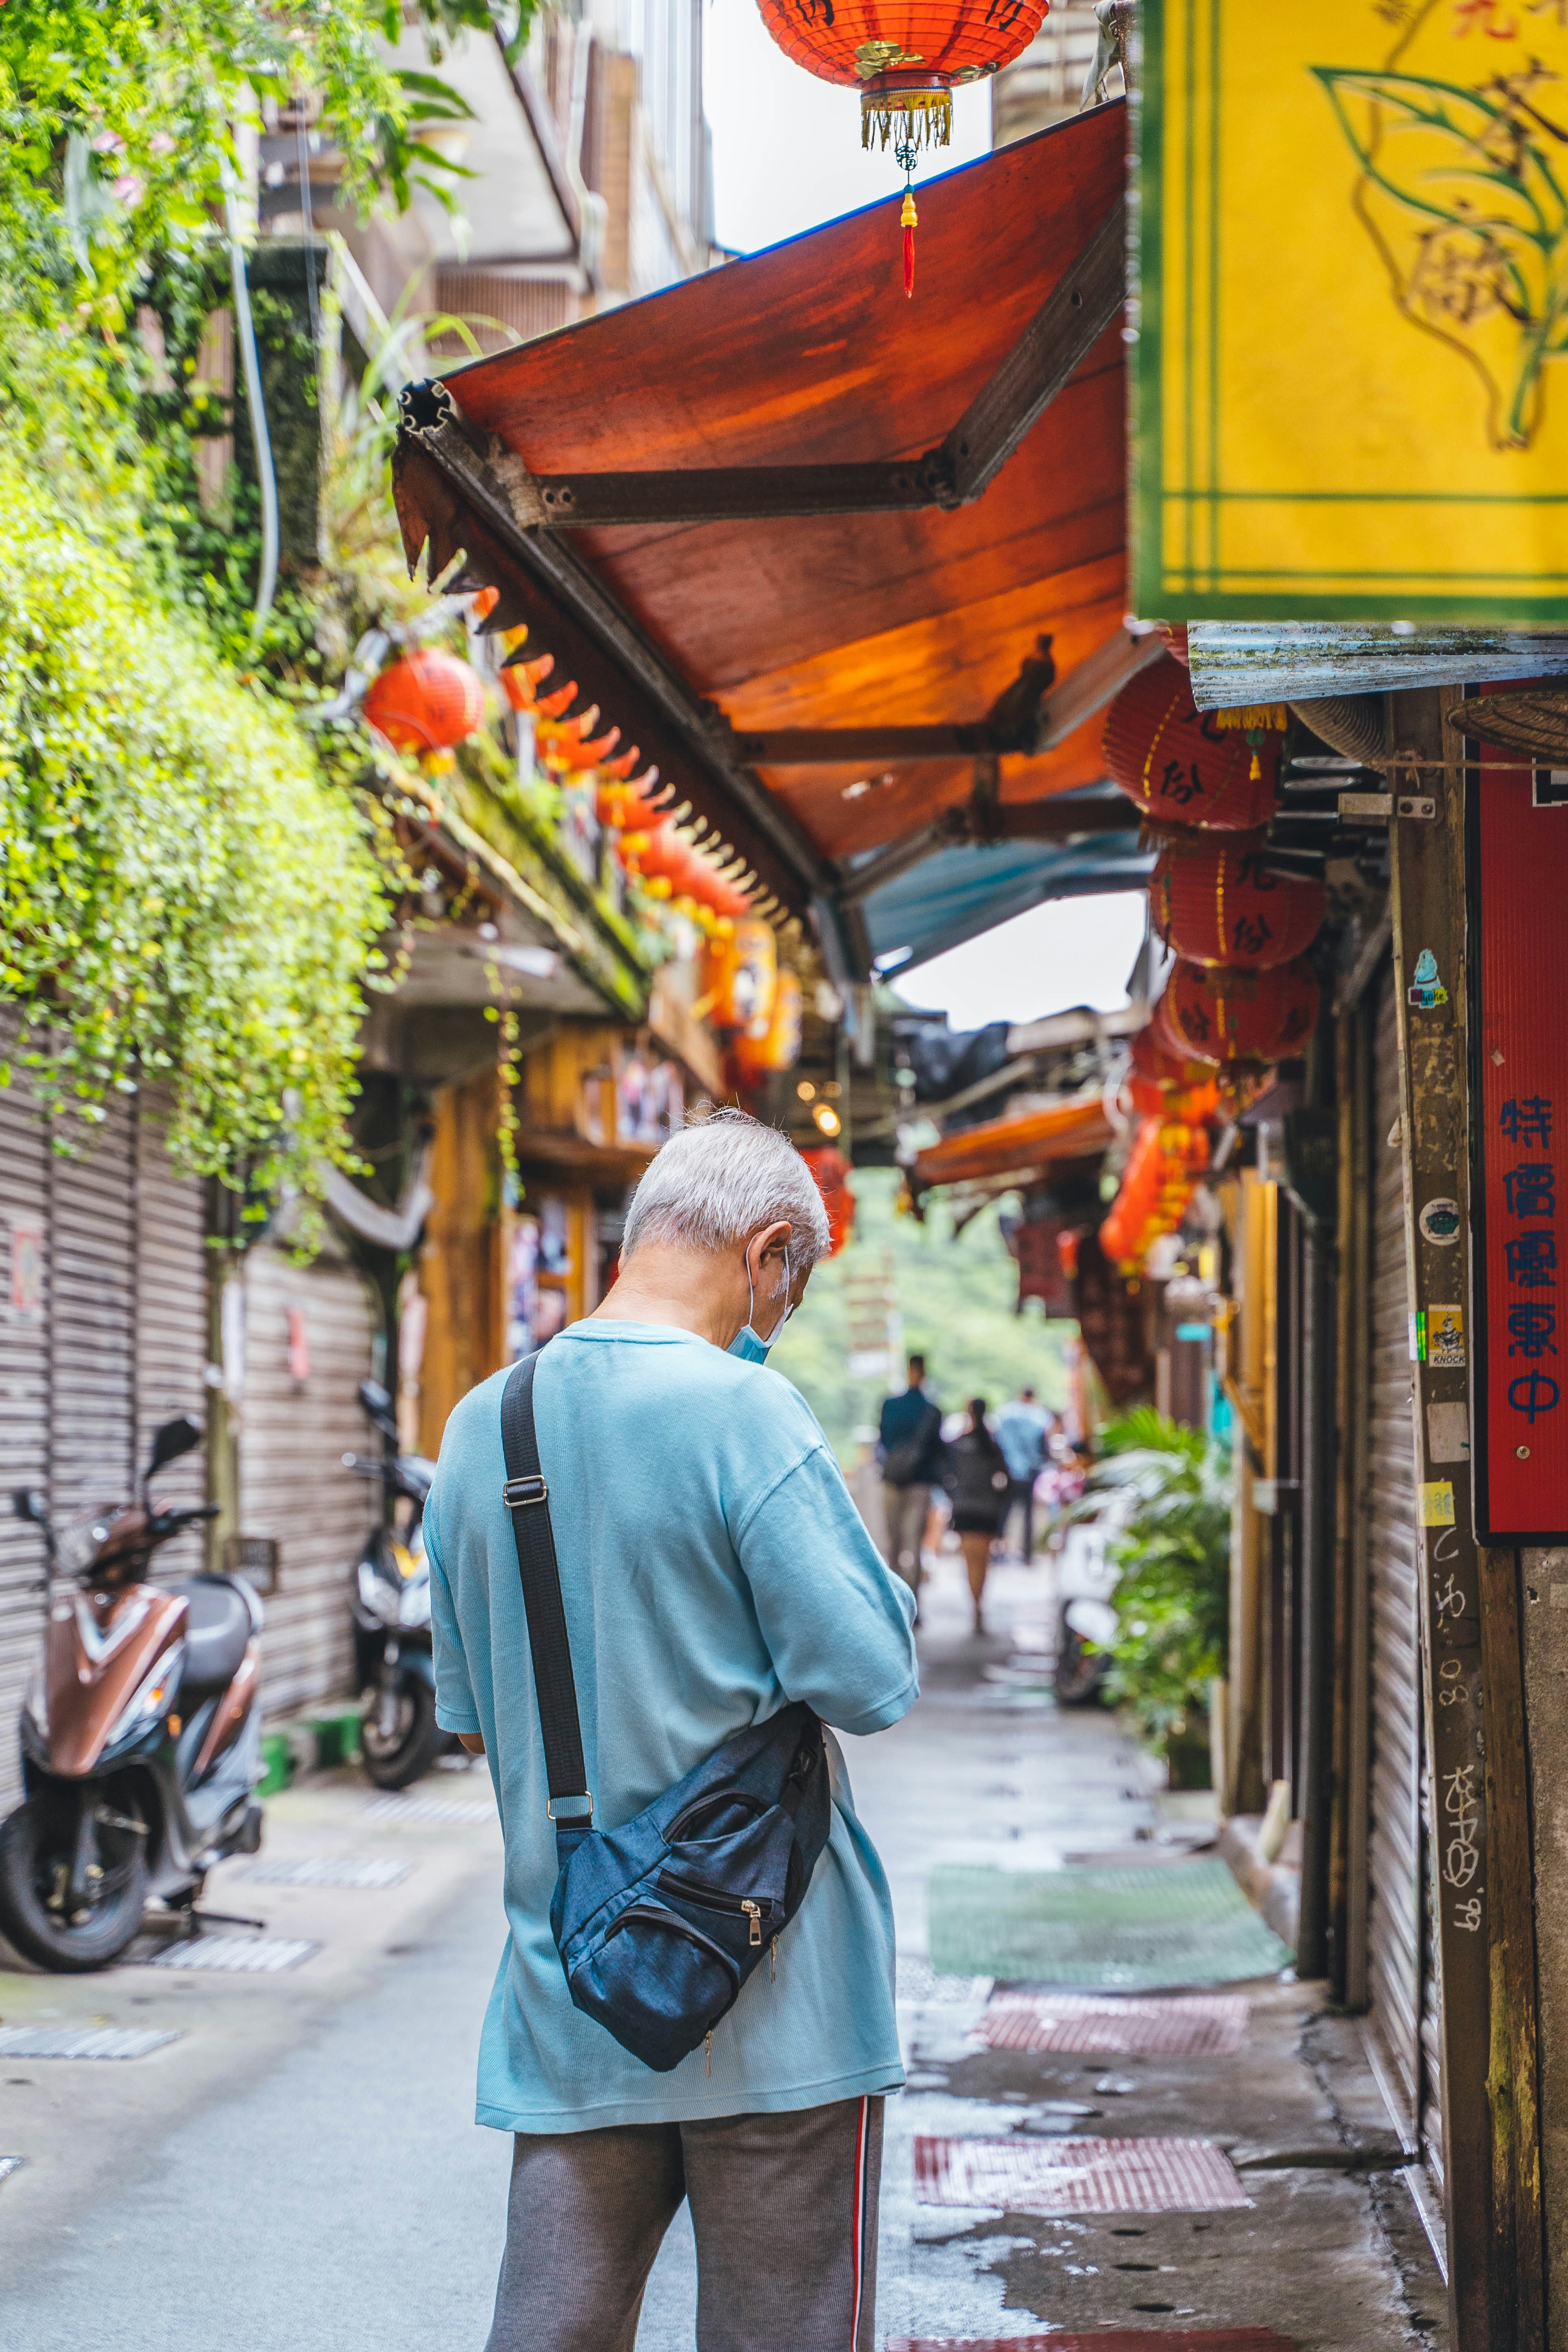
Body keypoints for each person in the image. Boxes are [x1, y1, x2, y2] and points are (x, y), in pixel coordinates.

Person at [424, 1109, 918, 2352]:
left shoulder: (484, 1424)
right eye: (790, 1291)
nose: (778, 1318)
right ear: (767, 1253)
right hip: (779, 1993)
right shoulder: (747, 1411)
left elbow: (473, 1724)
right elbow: (870, 1677)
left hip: (576, 1989)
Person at [877, 1353, 945, 1605]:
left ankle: (895, 1600)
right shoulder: (933, 1412)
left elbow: (884, 1440)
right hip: (921, 1482)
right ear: (924, 1375)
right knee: (915, 1542)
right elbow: (938, 1451)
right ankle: (913, 1601)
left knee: (893, 1541)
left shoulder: (890, 1405)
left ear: (909, 1372)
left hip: (892, 1479)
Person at [942, 1398, 1012, 1636]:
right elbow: (1007, 1480)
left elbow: (945, 1477)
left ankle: (976, 1605)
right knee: (983, 1562)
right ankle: (979, 1605)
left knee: (970, 1561)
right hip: (987, 1510)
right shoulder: (992, 1446)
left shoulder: (958, 1446)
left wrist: (955, 1496)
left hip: (965, 1510)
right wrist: (997, 1500)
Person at [991, 1384, 1053, 1562]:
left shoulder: (1006, 1413)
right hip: (1031, 1472)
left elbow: (996, 1439)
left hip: (1008, 1470)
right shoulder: (1041, 1416)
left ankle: (999, 1550)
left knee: (1004, 1513)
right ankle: (1027, 1553)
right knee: (1028, 1515)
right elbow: (1045, 1443)